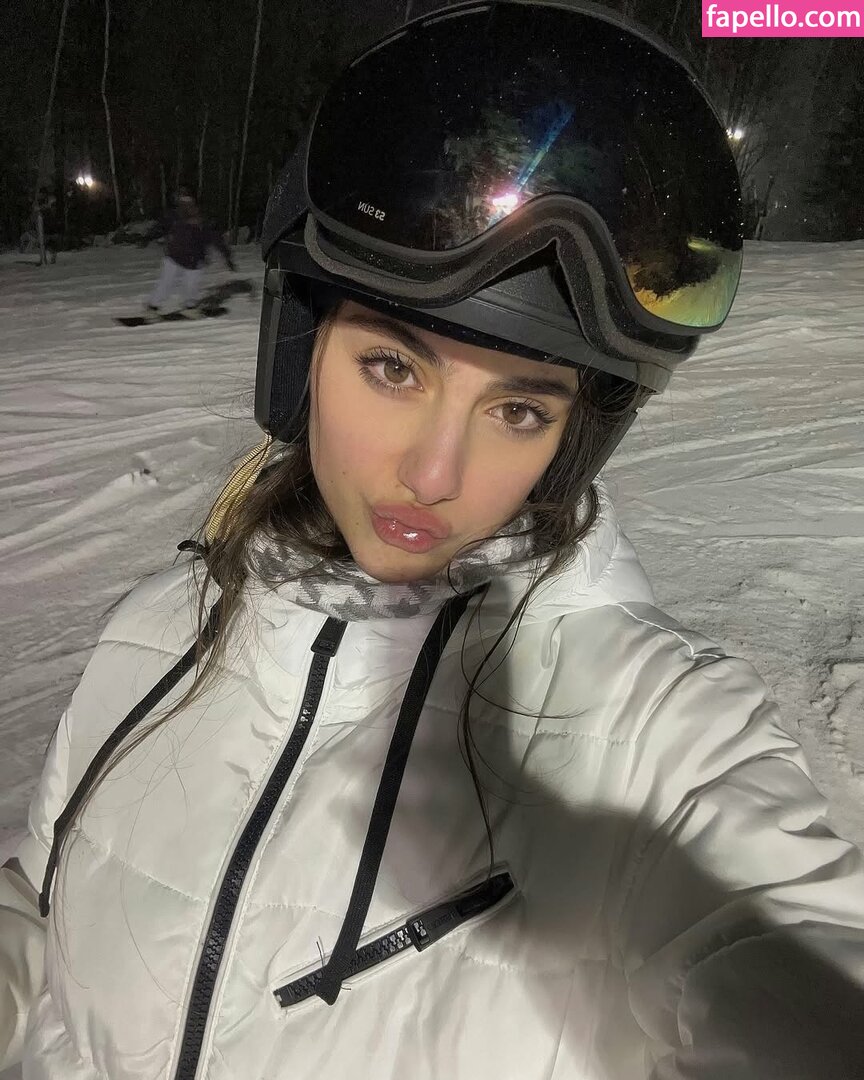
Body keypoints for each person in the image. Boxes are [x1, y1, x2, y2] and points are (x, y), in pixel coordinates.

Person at [2, 3, 864, 1078]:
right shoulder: (152, 634)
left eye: (520, 409)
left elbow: (786, 954)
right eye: (393, 367)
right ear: (302, 351)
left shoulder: (657, 732)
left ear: (571, 444)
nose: (435, 475)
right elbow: (42, 899)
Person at [139, 188, 236, 317]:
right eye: (182, 200)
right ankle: (153, 307)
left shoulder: (203, 220)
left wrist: (227, 258)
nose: (186, 204)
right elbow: (160, 227)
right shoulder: (174, 216)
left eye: (188, 200)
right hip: (175, 256)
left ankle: (190, 307)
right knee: (166, 283)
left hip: (194, 260)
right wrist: (147, 237)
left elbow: (217, 239)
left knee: (191, 286)